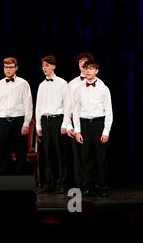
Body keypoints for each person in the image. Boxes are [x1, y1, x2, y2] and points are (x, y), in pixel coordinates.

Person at [73, 60, 113, 197]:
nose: (88, 71)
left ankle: (101, 186)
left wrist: (106, 131)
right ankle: (87, 186)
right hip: (84, 124)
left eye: (91, 68)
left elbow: (109, 111)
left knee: (100, 157)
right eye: (86, 68)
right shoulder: (78, 89)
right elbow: (76, 110)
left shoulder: (103, 88)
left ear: (96, 70)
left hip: (98, 124)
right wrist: (77, 130)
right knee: (86, 157)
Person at [0, 57, 33, 175]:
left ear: (16, 68)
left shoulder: (23, 83)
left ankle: (19, 183)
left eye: (10, 67)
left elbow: (28, 105)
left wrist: (26, 123)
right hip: (3, 122)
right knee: (3, 153)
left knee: (20, 153)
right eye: (6, 67)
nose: (8, 69)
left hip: (18, 122)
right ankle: (6, 182)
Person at [35, 56, 71, 194]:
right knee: (47, 154)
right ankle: (48, 182)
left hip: (58, 120)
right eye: (43, 65)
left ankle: (62, 183)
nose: (45, 68)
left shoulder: (62, 83)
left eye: (47, 65)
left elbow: (68, 104)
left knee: (61, 153)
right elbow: (39, 106)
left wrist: (65, 123)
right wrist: (38, 125)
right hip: (45, 121)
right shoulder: (41, 85)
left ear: (54, 66)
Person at [67, 52, 94, 188]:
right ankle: (79, 184)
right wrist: (68, 125)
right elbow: (68, 106)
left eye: (85, 62)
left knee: (90, 154)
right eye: (80, 62)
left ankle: (91, 183)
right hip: (75, 122)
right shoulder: (72, 84)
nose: (83, 64)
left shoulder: (98, 83)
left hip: (91, 122)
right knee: (77, 156)